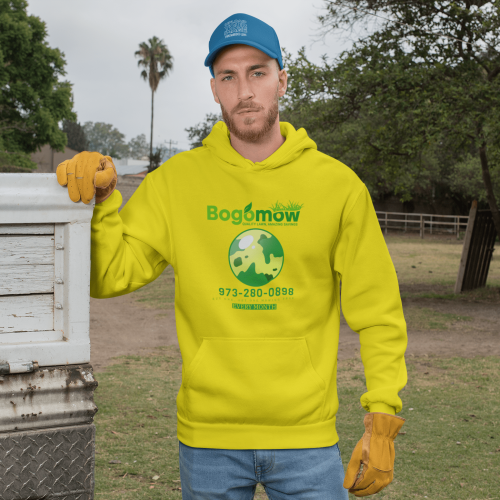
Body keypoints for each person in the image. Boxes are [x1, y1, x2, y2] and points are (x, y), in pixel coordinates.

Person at [57, 13, 407, 500]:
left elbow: (379, 310)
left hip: (307, 439)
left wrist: (383, 415)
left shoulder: (338, 186)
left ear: (282, 81)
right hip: (208, 442)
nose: (244, 89)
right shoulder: (176, 183)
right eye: (229, 76)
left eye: (258, 72)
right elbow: (107, 276)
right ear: (215, 90)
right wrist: (99, 205)